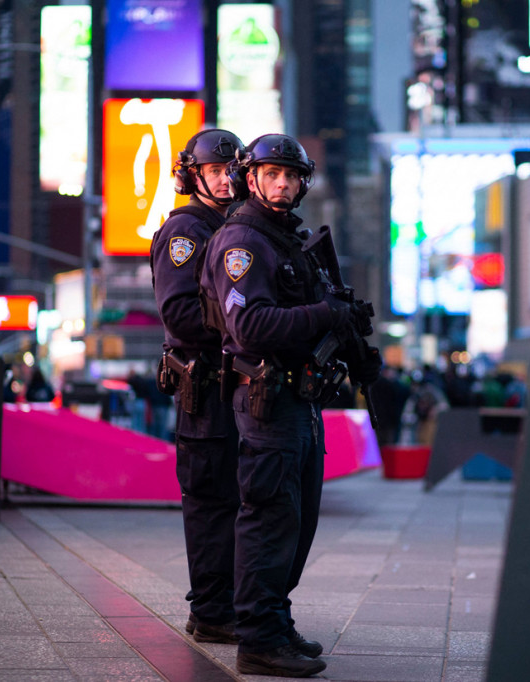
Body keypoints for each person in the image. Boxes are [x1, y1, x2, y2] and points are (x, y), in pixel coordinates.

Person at [199, 134, 380, 678]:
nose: (282, 183)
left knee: (295, 524)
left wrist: (344, 325)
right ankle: (257, 637)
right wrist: (324, 316)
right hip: (266, 402)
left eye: (291, 176)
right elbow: (249, 326)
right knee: (270, 520)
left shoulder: (285, 239)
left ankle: (273, 622)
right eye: (272, 174)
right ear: (249, 179)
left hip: (299, 400)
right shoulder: (242, 243)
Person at [150, 128, 244, 645]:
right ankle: (211, 611)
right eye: (216, 171)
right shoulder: (188, 230)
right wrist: (247, 321)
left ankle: (229, 606)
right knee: (211, 503)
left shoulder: (236, 227)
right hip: (205, 389)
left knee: (238, 500)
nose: (228, 181)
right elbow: (180, 314)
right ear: (194, 175)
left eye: (234, 171)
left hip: (237, 390)